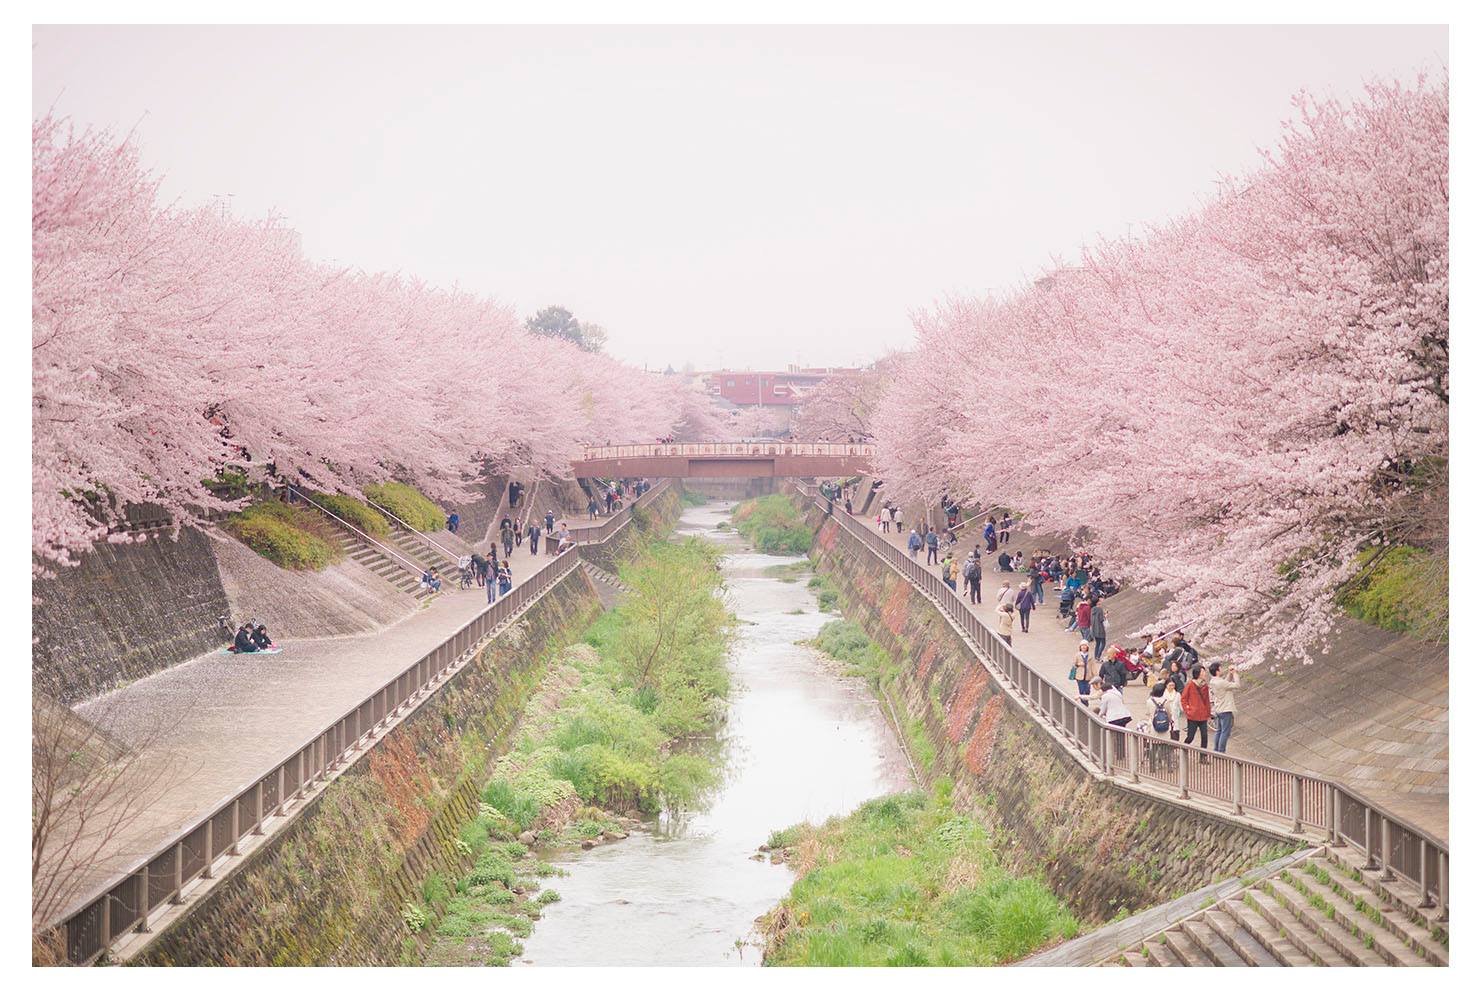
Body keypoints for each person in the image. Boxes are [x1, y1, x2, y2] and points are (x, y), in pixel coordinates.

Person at [1208, 662, 1240, 754]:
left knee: (1219, 731)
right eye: (1220, 668)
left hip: (1218, 709)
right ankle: (1221, 751)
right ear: (1217, 671)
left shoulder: (1213, 681)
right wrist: (1235, 674)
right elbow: (1237, 685)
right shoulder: (1220, 682)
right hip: (1225, 709)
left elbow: (1225, 683)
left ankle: (1216, 750)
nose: (1222, 669)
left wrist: (1229, 674)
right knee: (1225, 732)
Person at [1181, 665, 1212, 752]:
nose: (1204, 673)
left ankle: (1203, 756)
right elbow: (1184, 698)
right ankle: (1183, 749)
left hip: (1203, 715)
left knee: (1204, 736)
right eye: (1202, 672)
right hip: (1193, 715)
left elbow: (1207, 701)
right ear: (1198, 673)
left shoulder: (1204, 685)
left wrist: (1208, 714)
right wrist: (1187, 710)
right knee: (1190, 736)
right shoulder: (1191, 684)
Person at [1071, 640, 1093, 706]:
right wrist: (1078, 664)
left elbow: (1093, 666)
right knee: (1081, 690)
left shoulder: (1090, 656)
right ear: (1080, 647)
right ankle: (1084, 705)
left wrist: (1095, 675)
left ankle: (1086, 701)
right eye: (1082, 645)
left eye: (1085, 645)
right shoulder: (1077, 655)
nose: (1083, 647)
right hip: (1080, 676)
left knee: (1087, 690)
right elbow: (1073, 665)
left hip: (1088, 676)